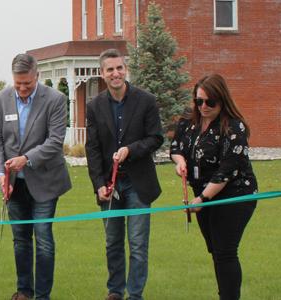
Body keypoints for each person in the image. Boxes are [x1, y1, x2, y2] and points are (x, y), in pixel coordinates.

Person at [0, 53, 71, 300]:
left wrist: (27, 159)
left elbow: (55, 141)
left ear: (37, 76)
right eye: (18, 83)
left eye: (28, 84)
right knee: (20, 239)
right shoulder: (0, 100)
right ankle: (24, 291)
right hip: (13, 184)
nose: (22, 89)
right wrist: (1, 174)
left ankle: (43, 295)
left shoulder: (55, 99)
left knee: (43, 238)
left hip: (45, 181)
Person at [84, 49, 163, 300]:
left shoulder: (146, 100)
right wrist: (98, 184)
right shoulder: (94, 106)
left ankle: (135, 295)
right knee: (112, 242)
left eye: (119, 68)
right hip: (110, 185)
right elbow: (93, 149)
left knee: (138, 245)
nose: (115, 73)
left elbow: (155, 138)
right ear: (102, 74)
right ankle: (115, 291)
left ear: (125, 69)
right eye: (110, 69)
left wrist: (131, 149)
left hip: (139, 184)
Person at [170, 73, 257, 300]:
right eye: (199, 101)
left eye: (210, 102)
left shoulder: (234, 127)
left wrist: (203, 200)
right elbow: (176, 147)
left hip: (235, 195)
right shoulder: (190, 121)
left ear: (222, 100)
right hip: (203, 196)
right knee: (215, 251)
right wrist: (180, 163)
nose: (204, 107)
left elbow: (227, 170)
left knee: (226, 252)